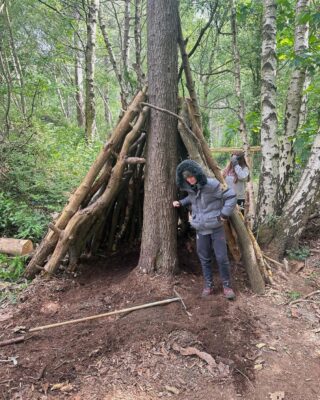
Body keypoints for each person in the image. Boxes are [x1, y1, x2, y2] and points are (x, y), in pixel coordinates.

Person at [173, 160, 237, 300]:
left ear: (197, 174)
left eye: (192, 177)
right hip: (200, 229)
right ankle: (208, 286)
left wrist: (224, 214)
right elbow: (192, 198)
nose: (190, 180)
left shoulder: (212, 185)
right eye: (187, 178)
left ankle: (227, 287)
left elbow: (231, 196)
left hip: (215, 228)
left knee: (221, 258)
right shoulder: (190, 188)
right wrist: (181, 202)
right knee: (204, 258)